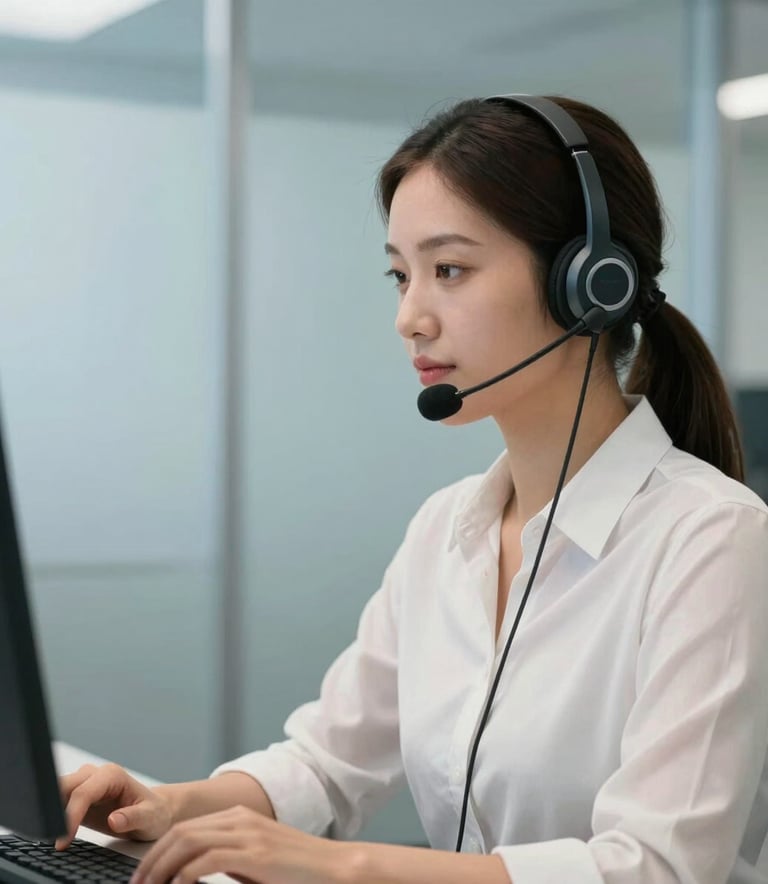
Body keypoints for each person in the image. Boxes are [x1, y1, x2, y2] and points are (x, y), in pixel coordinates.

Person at [56, 96, 768, 884]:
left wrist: (343, 867)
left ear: (589, 285)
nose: (409, 317)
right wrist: (167, 808)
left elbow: (657, 870)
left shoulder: (712, 539)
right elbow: (326, 765)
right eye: (401, 275)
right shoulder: (448, 530)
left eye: (449, 270)